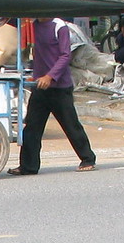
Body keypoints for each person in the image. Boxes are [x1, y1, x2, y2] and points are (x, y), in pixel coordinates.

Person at [14, 17, 98, 175]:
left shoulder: (59, 26)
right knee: (32, 127)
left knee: (70, 125)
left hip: (59, 86)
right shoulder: (33, 26)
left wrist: (50, 76)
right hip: (40, 85)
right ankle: (28, 166)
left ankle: (88, 158)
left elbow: (65, 55)